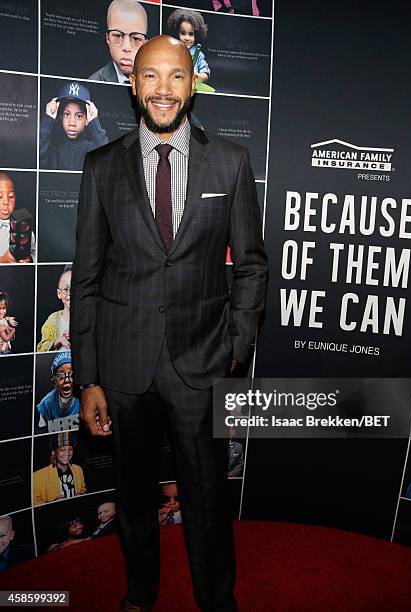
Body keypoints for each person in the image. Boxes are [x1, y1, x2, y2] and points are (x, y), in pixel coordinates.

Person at [71, 34, 267, 612]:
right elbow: (87, 277)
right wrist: (89, 379)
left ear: (192, 84)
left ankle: (216, 600)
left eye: (176, 76)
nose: (163, 89)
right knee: (132, 497)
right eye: (150, 76)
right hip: (124, 367)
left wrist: (235, 345)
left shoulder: (229, 162)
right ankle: (140, 594)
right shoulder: (101, 167)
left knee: (207, 497)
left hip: (201, 366)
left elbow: (252, 267)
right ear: (133, 84)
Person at [39, 82, 108, 171]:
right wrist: (48, 119)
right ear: (60, 117)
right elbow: (35, 156)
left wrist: (95, 122)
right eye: (67, 114)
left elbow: (107, 161)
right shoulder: (53, 149)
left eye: (79, 116)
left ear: (87, 120)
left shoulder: (92, 149)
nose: (72, 123)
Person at [88, 0, 148, 84]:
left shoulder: (155, 84)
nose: (126, 47)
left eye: (136, 39)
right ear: (108, 38)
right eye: (117, 36)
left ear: (145, 43)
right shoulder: (94, 83)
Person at [33, 431, 86, 506]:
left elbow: (83, 489)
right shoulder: (37, 476)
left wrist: (81, 495)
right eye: (62, 450)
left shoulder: (78, 469)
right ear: (54, 452)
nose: (67, 454)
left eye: (70, 449)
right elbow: (34, 503)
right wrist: (52, 504)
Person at [36, 350, 80, 433]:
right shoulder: (46, 404)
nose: (67, 380)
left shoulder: (84, 399)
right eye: (61, 376)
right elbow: (41, 435)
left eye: (71, 374)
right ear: (54, 381)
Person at [167, 9, 210, 83]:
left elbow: (206, 75)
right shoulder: (171, 51)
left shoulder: (198, 54)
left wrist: (197, 76)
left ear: (196, 35)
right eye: (183, 33)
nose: (186, 38)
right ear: (176, 32)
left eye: (190, 34)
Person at [0, 173, 36, 263]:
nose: (6, 202)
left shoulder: (24, 227)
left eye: (11, 197)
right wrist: (3, 260)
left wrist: (29, 260)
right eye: (0, 197)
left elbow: (34, 253)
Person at [37, 265, 72, 352]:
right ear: (59, 293)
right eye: (66, 289)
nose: (71, 293)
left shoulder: (88, 318)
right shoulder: (53, 319)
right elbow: (40, 348)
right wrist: (58, 341)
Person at [0, 290, 17, 355]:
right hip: (2, 352)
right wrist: (13, 330)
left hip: (6, 352)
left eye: (4, 308)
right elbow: (6, 339)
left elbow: (12, 338)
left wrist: (7, 326)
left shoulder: (3, 320)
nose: (1, 311)